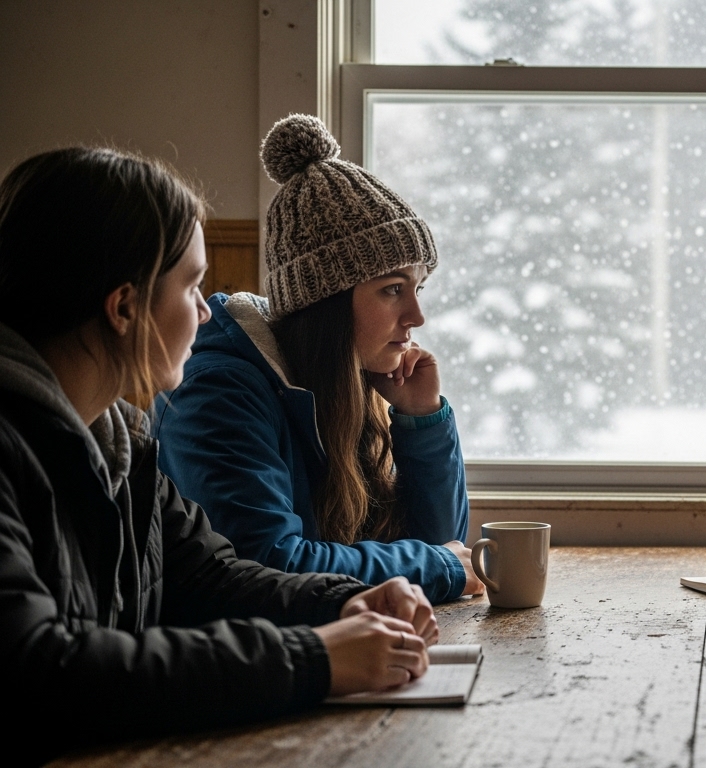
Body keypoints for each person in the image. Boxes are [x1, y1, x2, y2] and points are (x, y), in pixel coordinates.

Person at [0, 146, 442, 767]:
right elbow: (42, 673)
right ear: (125, 307)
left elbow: (212, 577)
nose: (207, 311)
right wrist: (315, 659)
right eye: (192, 286)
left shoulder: (119, 441)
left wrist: (342, 602)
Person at [154, 115, 481, 605]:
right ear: (325, 303)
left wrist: (422, 421)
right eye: (393, 289)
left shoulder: (344, 382)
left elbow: (444, 546)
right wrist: (437, 568)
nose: (417, 315)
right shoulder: (219, 393)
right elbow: (270, 564)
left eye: (418, 288)